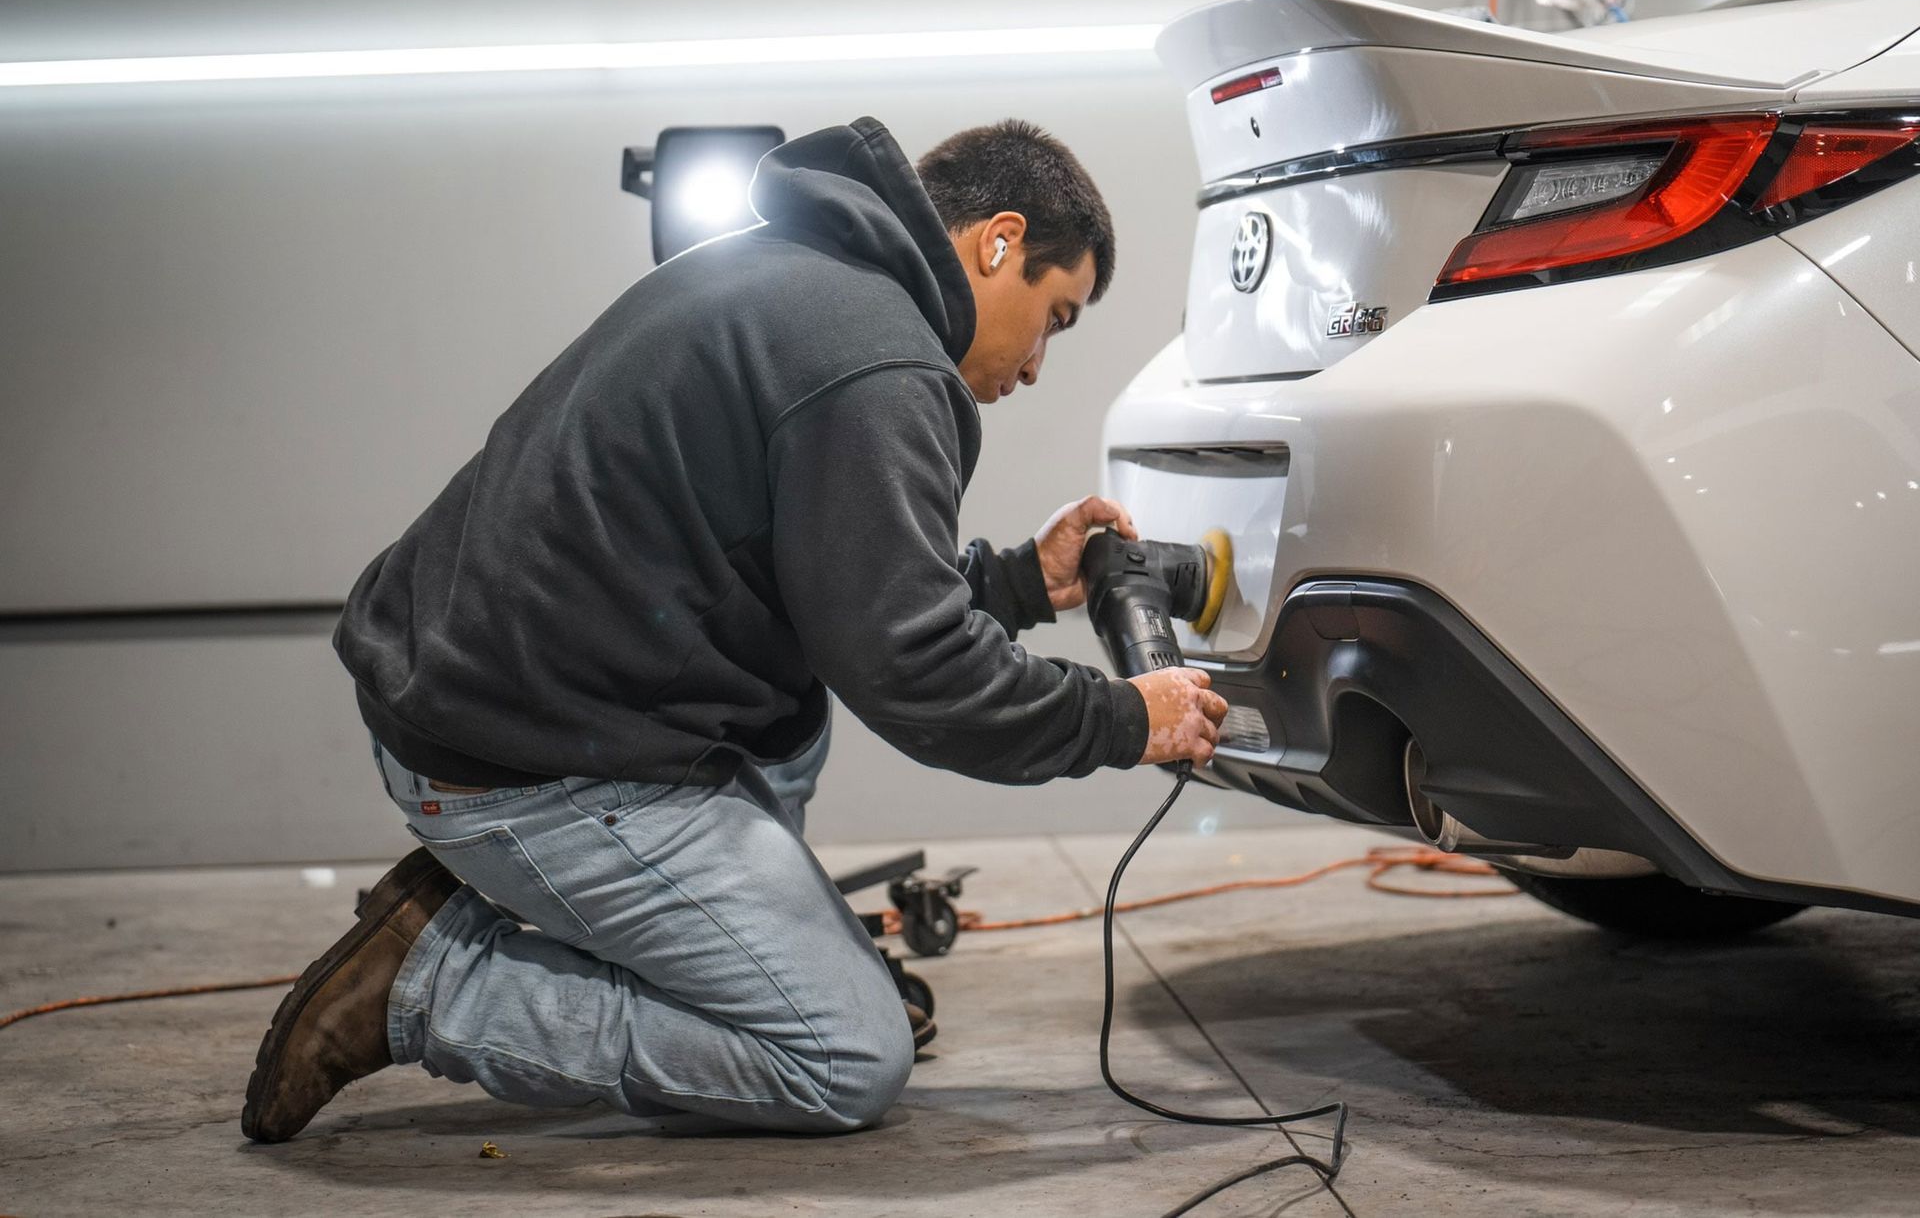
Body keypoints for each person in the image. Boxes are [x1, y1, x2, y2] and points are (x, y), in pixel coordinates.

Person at [241, 116, 1228, 1143]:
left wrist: (1021, 580)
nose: (1036, 366)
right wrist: (1125, 718)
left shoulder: (795, 272)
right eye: (1054, 316)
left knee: (798, 726)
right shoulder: (878, 361)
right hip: (516, 761)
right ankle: (435, 983)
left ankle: (732, 957)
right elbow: (916, 668)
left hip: (481, 695)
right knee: (846, 1057)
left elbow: (840, 582)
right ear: (999, 241)